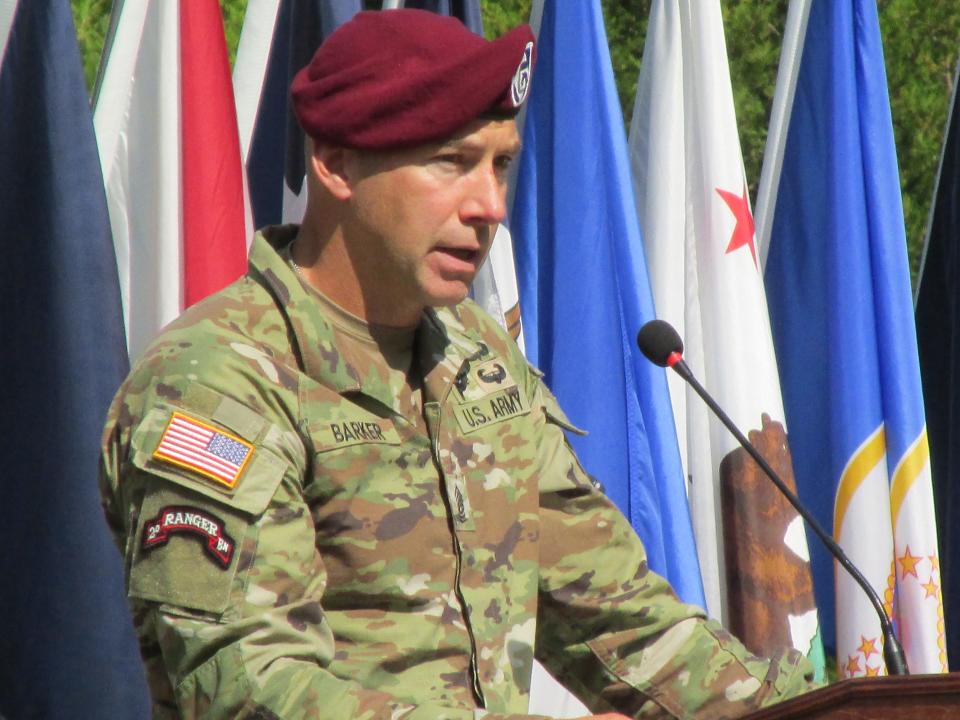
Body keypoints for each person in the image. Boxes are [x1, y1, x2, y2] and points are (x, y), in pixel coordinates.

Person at [99, 9, 816, 719]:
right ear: (336, 163)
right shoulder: (217, 381)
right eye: (452, 162)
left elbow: (618, 618)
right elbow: (246, 684)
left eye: (500, 164)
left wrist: (822, 710)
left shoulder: (477, 357)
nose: (491, 205)